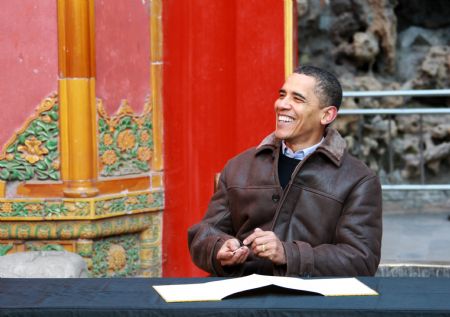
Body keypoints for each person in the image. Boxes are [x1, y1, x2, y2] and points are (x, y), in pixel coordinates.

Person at [188, 65, 382, 277]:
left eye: (297, 99)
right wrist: (219, 248)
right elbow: (204, 234)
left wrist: (287, 254)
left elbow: (361, 260)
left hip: (309, 302)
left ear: (327, 115)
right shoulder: (239, 166)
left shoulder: (359, 180)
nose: (282, 104)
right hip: (241, 297)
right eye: (282, 95)